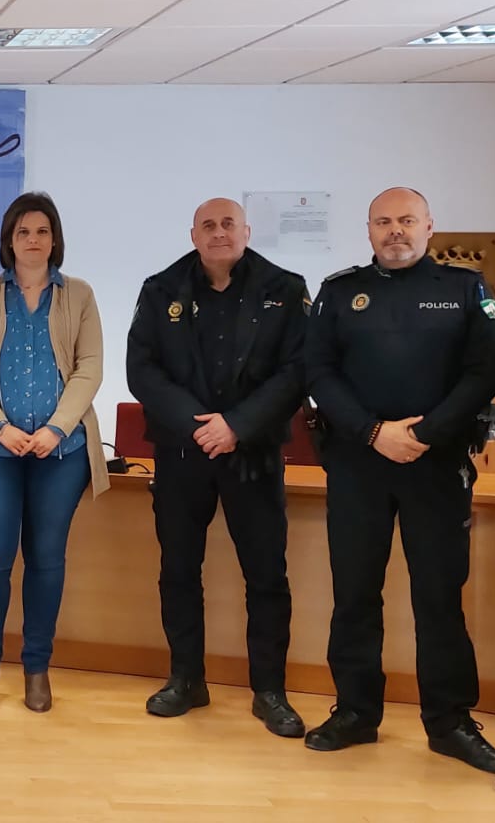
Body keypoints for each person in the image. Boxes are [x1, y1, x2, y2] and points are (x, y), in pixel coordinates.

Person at [304, 187, 495, 771]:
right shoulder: (339, 292)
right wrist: (372, 433)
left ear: (429, 227)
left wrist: (424, 434)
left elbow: (481, 372)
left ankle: (449, 722)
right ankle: (355, 713)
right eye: (384, 221)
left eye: (407, 220)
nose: (396, 231)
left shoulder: (465, 290)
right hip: (357, 464)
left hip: (436, 466)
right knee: (355, 595)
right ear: (368, 230)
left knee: (439, 597)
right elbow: (319, 371)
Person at [123, 197, 307, 736]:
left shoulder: (285, 288)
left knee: (267, 576)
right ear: (193, 234)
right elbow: (142, 369)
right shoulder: (161, 290)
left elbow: (298, 370)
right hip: (183, 453)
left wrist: (238, 426)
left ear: (246, 231)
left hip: (253, 453)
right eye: (209, 225)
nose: (219, 232)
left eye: (228, 224)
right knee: (179, 570)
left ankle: (269, 690)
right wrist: (198, 424)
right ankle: (186, 679)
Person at [0, 191, 110, 712]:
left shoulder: (80, 295)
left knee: (46, 560)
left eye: (42, 231)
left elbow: (89, 368)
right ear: (9, 240)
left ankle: (37, 669)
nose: (33, 241)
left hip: (59, 455)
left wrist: (57, 429)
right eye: (23, 232)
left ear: (55, 239)